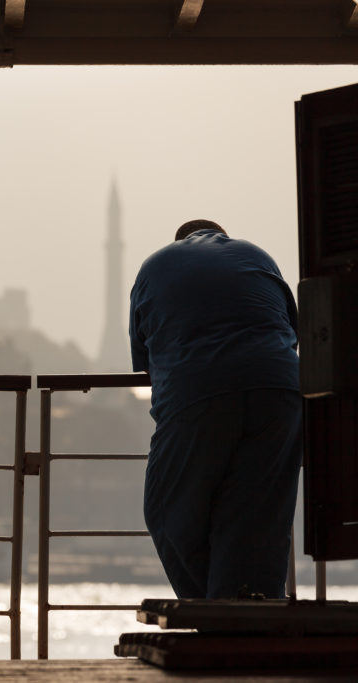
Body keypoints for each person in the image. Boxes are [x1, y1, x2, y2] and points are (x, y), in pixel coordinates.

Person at [129, 219, 301, 600]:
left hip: (198, 391)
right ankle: (249, 616)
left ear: (181, 241)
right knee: (256, 520)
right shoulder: (258, 256)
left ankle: (213, 612)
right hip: (279, 388)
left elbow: (145, 359)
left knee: (166, 510)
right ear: (222, 235)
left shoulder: (155, 266)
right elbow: (291, 330)